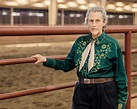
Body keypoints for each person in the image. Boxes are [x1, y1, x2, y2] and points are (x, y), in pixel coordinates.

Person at [31, 6, 128, 109]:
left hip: (104, 91)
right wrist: (45, 60)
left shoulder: (112, 44)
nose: (94, 24)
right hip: (82, 90)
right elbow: (67, 65)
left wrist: (122, 101)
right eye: (91, 21)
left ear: (104, 22)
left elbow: (120, 74)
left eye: (97, 21)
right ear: (87, 22)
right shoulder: (80, 42)